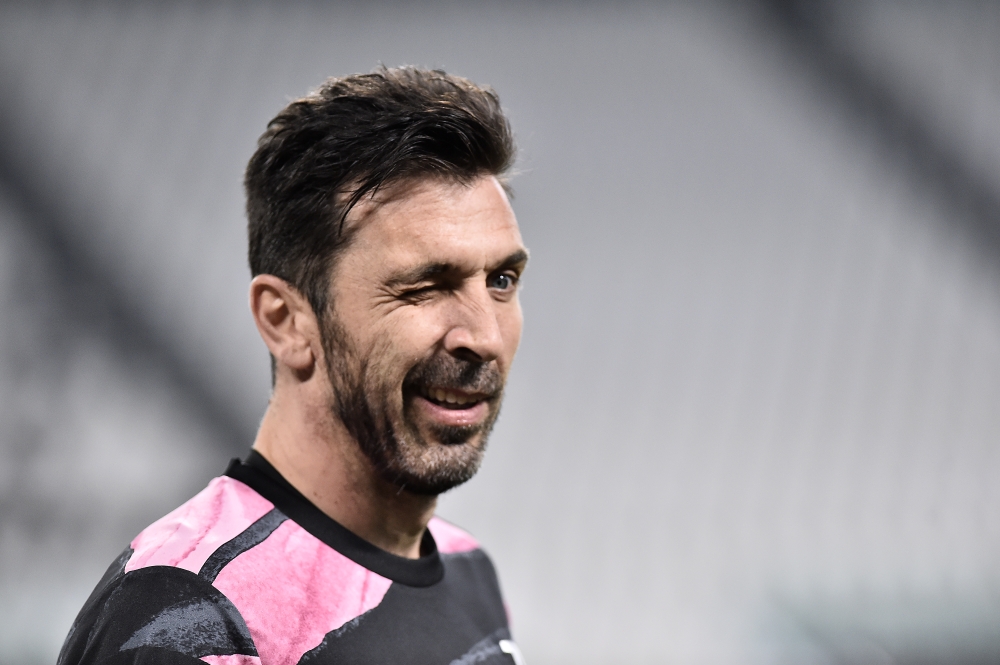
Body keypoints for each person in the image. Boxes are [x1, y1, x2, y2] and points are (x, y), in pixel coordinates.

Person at [58, 67, 529, 665]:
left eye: (502, 280)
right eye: (424, 287)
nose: (484, 336)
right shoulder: (191, 615)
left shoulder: (468, 570)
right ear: (286, 321)